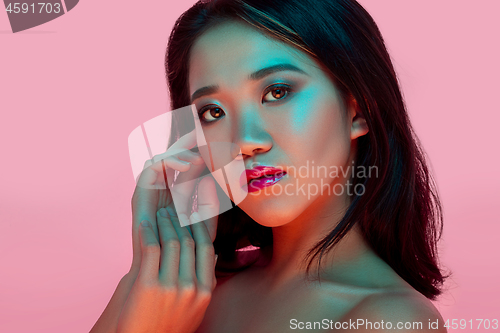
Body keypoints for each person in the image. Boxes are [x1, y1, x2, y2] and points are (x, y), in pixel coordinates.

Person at [90, 0, 448, 332]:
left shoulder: (392, 320)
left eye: (276, 92)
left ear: (358, 109)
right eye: (213, 112)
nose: (245, 141)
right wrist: (148, 272)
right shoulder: (169, 289)